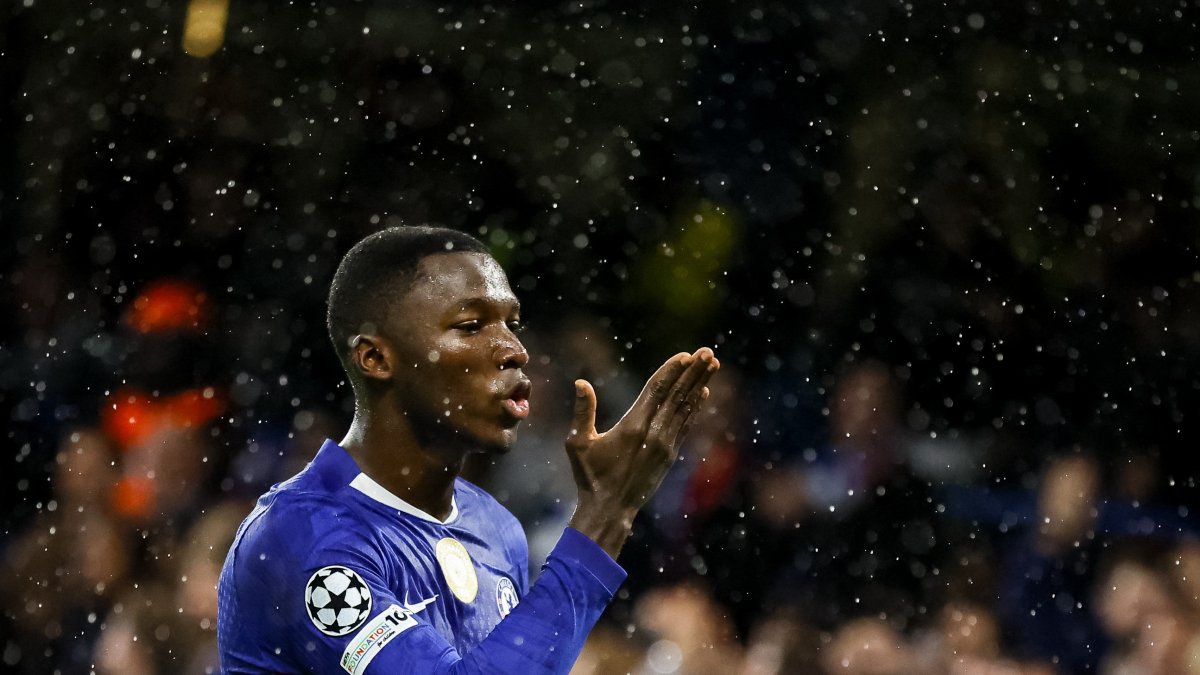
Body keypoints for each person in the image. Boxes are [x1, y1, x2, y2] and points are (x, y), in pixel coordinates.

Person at [216, 225, 719, 674]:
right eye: (471, 326)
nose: (514, 350)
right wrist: (606, 513)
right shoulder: (302, 534)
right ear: (375, 357)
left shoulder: (495, 527)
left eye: (512, 324)